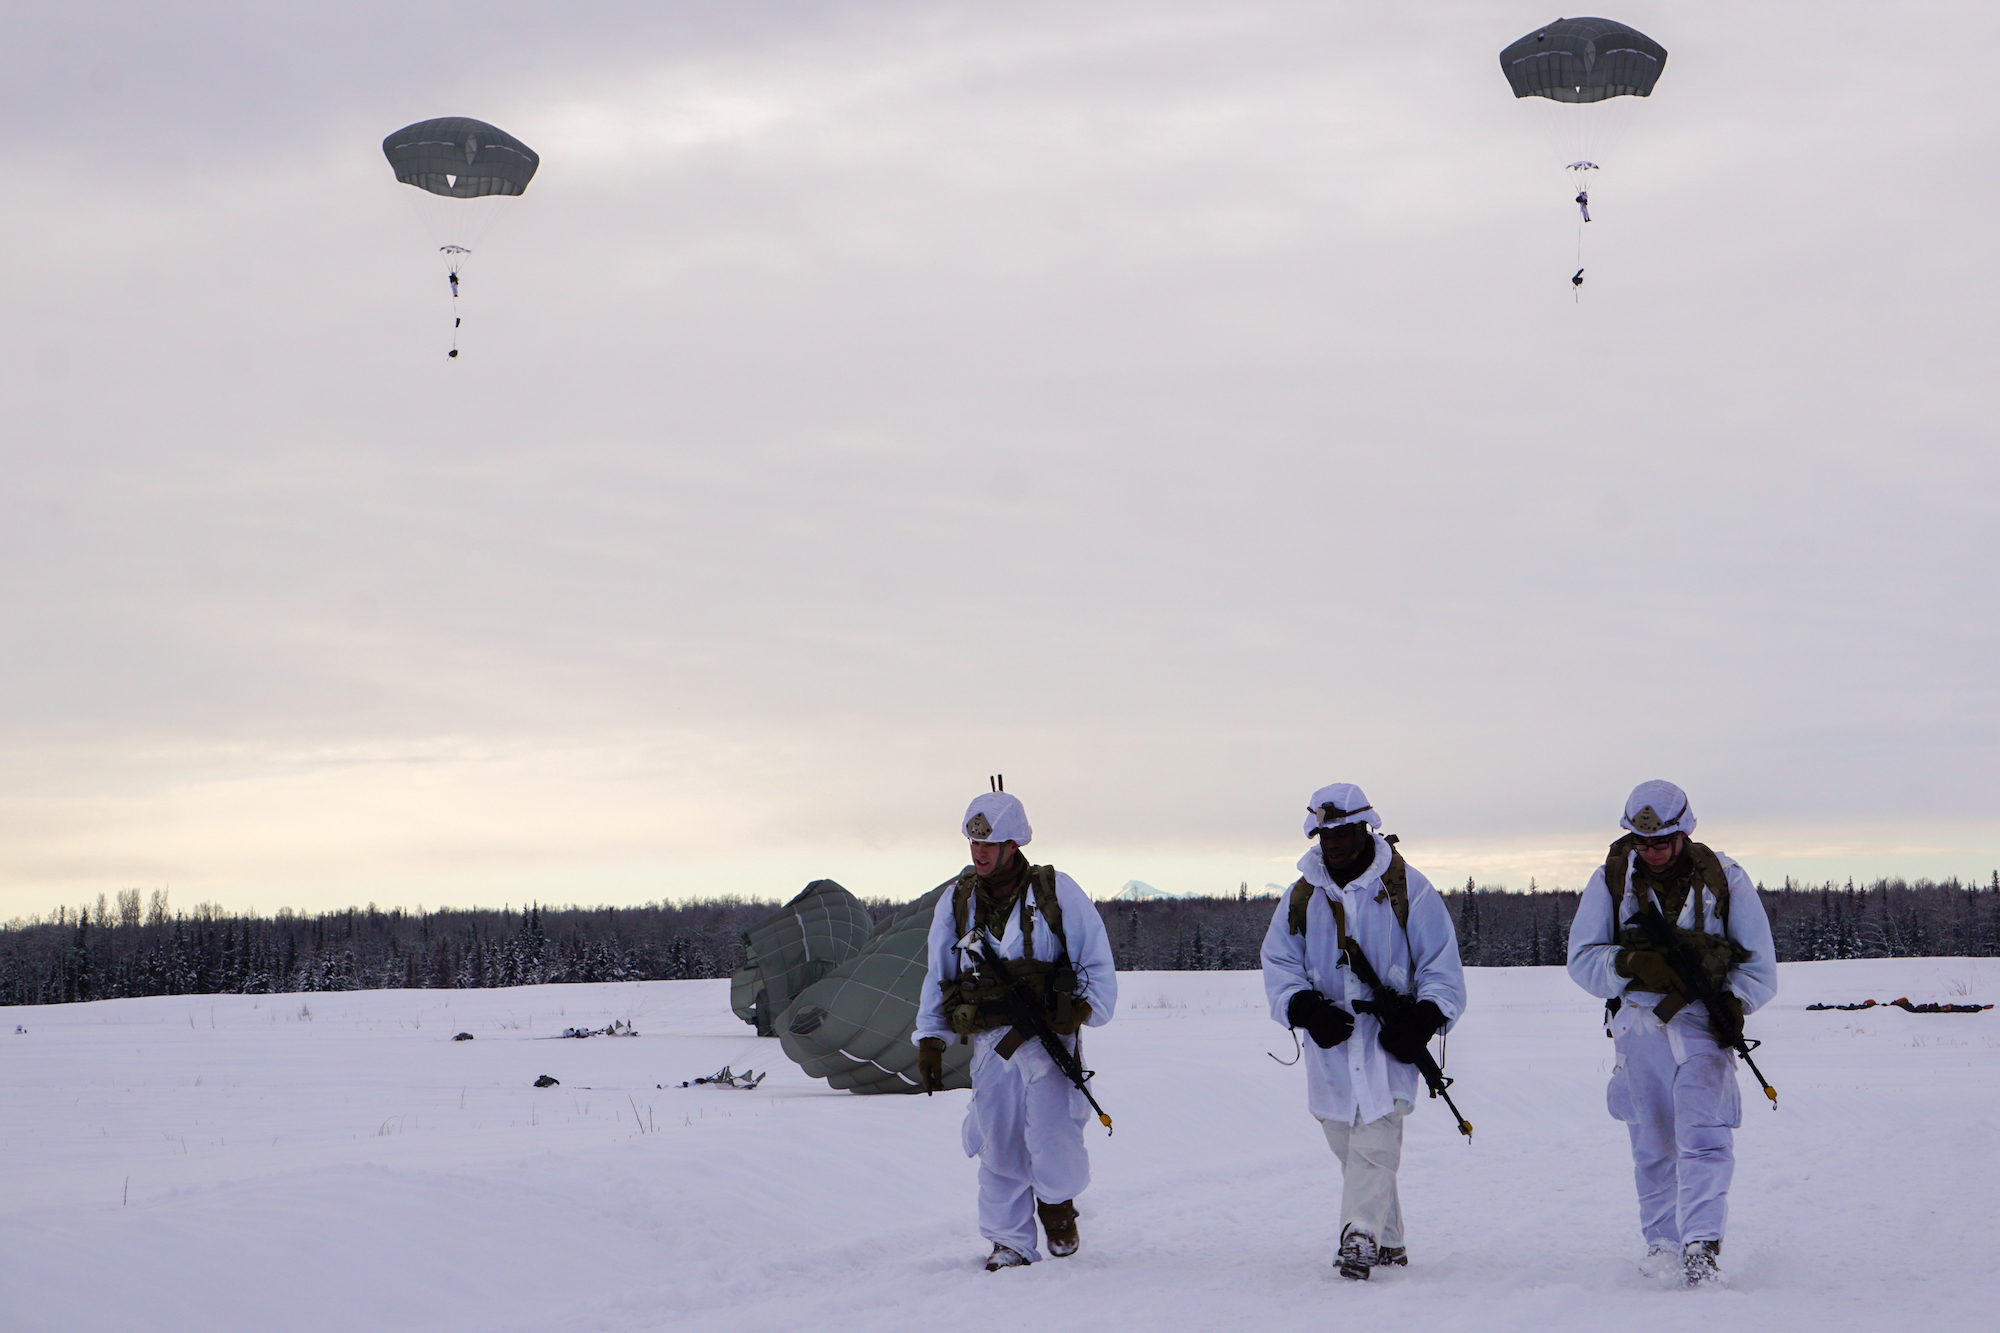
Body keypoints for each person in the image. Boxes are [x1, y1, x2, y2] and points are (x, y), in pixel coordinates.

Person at [1565, 780, 1777, 1286]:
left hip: (1703, 1025)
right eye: (1643, 842)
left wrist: (1734, 1002)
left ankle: (1701, 1243)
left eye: (1662, 841)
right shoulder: (1611, 880)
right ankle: (1662, 1243)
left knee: (1704, 1138)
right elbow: (1581, 960)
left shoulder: (1727, 878)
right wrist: (1633, 962)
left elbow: (1759, 966)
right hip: (1639, 1026)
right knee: (1652, 1141)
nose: (1652, 851)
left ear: (1684, 832)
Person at [1261, 783, 1466, 1280]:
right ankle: (1390, 1241)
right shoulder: (1302, 895)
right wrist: (1306, 1008)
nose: (1330, 842)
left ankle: (1358, 1236)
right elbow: (1279, 963)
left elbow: (1441, 967)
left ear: (1364, 827)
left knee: (1376, 1137)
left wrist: (1422, 1019)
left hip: (1387, 1042)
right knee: (1348, 1144)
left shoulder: (1407, 888)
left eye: (1340, 831)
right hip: (1330, 1045)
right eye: (1322, 832)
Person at [913, 789, 1118, 1271]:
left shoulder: (1056, 892)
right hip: (990, 1044)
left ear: (1014, 845)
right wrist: (930, 1038)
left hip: (1048, 1040)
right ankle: (1009, 1241)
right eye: (973, 843)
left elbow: (1097, 964)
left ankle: (1057, 1203)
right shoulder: (957, 901)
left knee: (1053, 1137)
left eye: (990, 844)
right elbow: (938, 972)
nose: (978, 852)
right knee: (998, 1141)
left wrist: (1080, 1011)